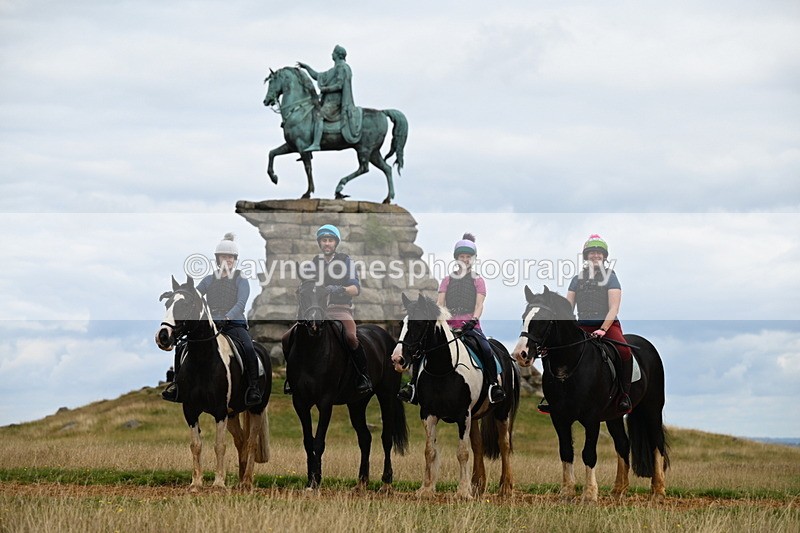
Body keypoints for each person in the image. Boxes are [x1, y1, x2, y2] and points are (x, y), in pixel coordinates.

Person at [397, 233, 506, 405]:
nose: (464, 259)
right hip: (448, 326)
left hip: (471, 327)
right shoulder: (447, 280)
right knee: (423, 350)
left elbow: (479, 304)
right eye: (461, 256)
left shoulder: (478, 280)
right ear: (456, 258)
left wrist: (473, 320)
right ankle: (412, 387)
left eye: (468, 257)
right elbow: (440, 303)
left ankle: (493, 385)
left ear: (473, 259)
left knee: (486, 349)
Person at [162, 233, 263, 407]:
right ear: (218, 259)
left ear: (235, 260)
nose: (227, 260)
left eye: (230, 257)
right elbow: (194, 297)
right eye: (224, 256)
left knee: (248, 347)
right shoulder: (208, 280)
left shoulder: (241, 279)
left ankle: (253, 387)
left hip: (234, 323)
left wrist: (228, 317)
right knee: (181, 347)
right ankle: (177, 385)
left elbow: (241, 303)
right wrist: (178, 296)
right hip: (211, 325)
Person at [538, 234, 632, 415]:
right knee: (551, 350)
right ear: (586, 256)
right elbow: (567, 307)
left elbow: (614, 308)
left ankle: (623, 395)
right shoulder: (577, 279)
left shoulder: (611, 277)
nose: (595, 256)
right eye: (592, 253)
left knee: (624, 351)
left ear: (604, 257)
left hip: (607, 326)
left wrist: (603, 329)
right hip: (581, 327)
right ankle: (551, 396)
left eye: (599, 253)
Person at [282, 224, 372, 395]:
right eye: (324, 240)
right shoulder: (314, 263)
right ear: (320, 243)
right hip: (318, 310)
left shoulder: (346, 261)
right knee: (287, 338)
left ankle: (363, 376)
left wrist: (337, 289)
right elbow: (307, 285)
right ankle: (291, 378)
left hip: (340, 309)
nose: (327, 243)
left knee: (351, 337)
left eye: (330, 240)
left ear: (335, 243)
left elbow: (356, 289)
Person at [297, 44, 362, 151]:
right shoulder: (334, 69)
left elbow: (339, 85)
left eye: (333, 52)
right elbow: (317, 76)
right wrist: (307, 67)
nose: (331, 54)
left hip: (335, 103)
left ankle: (316, 144)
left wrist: (325, 89)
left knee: (319, 116)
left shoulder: (342, 68)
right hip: (328, 101)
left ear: (337, 55)